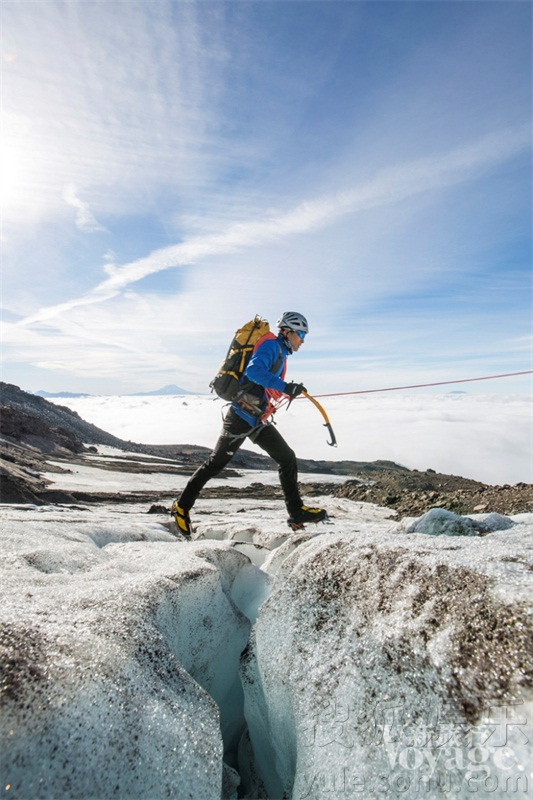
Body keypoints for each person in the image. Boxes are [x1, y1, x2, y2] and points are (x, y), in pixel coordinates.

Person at [171, 311, 327, 537]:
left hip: (255, 417)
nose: (303, 339)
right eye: (301, 333)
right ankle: (181, 508)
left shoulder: (279, 350)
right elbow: (254, 371)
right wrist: (285, 387)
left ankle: (296, 513)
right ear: (288, 331)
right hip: (241, 418)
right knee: (215, 464)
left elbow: (263, 381)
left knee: (287, 457)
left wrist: (287, 389)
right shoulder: (272, 345)